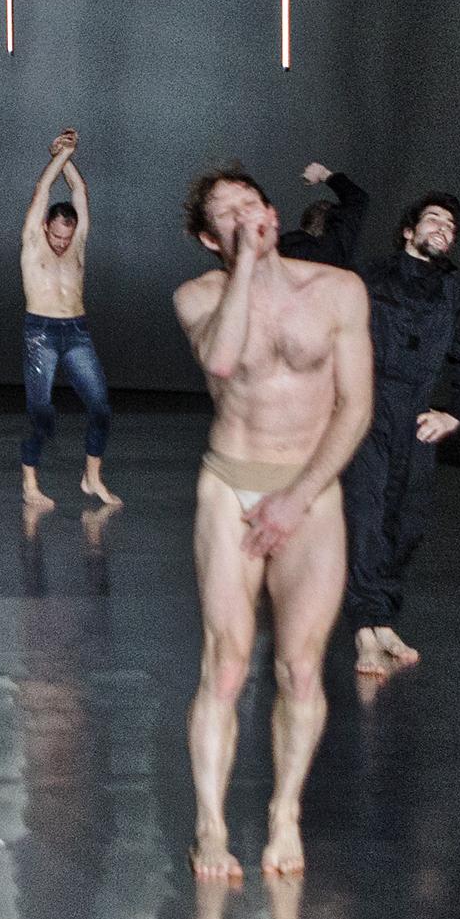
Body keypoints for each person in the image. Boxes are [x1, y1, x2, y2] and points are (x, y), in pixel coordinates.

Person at [173, 167, 374, 883]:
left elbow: (354, 407)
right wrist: (249, 266)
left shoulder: (337, 291)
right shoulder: (198, 296)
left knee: (298, 667)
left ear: (271, 208)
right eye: (224, 215)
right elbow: (222, 362)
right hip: (230, 483)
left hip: (308, 491)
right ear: (208, 238)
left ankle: (285, 812)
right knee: (226, 665)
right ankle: (210, 823)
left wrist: (296, 498)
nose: (242, 218)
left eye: (249, 205)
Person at [343, 194, 460, 676]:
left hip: (416, 413)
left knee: (406, 521)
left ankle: (383, 616)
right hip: (367, 406)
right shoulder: (372, 277)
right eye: (434, 218)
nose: (444, 227)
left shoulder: (455, 290)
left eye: (451, 224)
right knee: (365, 514)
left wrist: (454, 410)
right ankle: (364, 630)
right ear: (409, 231)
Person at [18, 129, 119, 512]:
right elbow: (42, 187)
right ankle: (30, 482)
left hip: (76, 331)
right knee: (42, 414)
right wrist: (60, 155)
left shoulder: (76, 243)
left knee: (100, 408)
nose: (61, 242)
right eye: (57, 235)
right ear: (46, 225)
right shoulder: (32, 242)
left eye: (67, 236)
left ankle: (91, 476)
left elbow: (81, 193)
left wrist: (67, 156)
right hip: (40, 333)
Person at [282, 162, 371, 271]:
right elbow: (358, 199)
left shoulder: (278, 249)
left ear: (304, 221)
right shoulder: (334, 251)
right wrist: (323, 173)